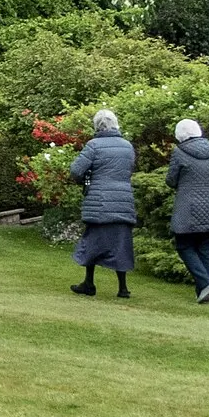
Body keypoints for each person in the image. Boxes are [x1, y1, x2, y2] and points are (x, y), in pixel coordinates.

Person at [69, 109, 137, 298]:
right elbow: (130, 169)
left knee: (93, 241)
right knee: (121, 243)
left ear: (97, 126)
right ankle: (123, 288)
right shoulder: (127, 146)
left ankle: (89, 283)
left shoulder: (94, 145)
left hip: (99, 201)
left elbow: (76, 170)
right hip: (123, 200)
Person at [165, 117, 209, 305]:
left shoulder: (179, 153)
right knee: (204, 248)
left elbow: (171, 180)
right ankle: (204, 292)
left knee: (184, 246)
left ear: (180, 135)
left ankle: (206, 282)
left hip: (188, 209)